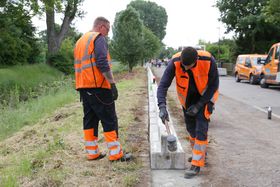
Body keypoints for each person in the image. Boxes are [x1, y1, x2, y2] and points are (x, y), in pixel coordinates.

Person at [74, 17, 131, 162]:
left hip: (83, 88)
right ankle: (116, 154)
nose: (107, 34)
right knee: (109, 119)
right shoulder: (98, 38)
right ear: (101, 26)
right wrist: (112, 83)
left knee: (90, 120)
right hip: (99, 87)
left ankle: (92, 153)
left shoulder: (80, 41)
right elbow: (101, 62)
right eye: (108, 30)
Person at [157, 47, 219, 178]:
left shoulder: (208, 60)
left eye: (188, 66)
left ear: (196, 60)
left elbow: (214, 85)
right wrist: (162, 106)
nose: (184, 69)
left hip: (205, 98)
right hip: (187, 100)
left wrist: (200, 105)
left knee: (201, 128)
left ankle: (196, 164)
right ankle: (200, 154)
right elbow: (163, 86)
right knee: (191, 129)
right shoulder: (175, 62)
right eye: (183, 66)